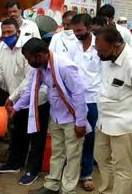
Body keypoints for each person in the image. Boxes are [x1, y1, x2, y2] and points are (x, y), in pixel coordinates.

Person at [0, 19, 49, 186]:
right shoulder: (2, 48)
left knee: (36, 136)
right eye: (4, 33)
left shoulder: (27, 49)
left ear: (18, 32)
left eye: (10, 32)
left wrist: (12, 97)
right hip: (16, 100)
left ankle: (33, 170)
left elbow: (29, 80)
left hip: (36, 100)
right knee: (18, 133)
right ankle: (14, 164)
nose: (7, 36)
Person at [11, 38, 91, 194]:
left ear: (40, 55)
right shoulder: (40, 68)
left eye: (29, 58)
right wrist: (16, 107)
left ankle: (68, 190)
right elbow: (30, 90)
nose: (28, 62)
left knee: (73, 156)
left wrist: (80, 123)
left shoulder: (64, 66)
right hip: (55, 116)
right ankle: (52, 185)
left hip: (72, 118)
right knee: (57, 153)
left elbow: (79, 94)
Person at [94, 27, 132, 194]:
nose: (98, 54)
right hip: (103, 122)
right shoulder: (108, 58)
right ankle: (107, 190)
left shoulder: (130, 62)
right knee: (101, 158)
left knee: (122, 168)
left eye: (101, 50)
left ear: (116, 46)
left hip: (123, 126)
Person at [67, 14, 101, 192]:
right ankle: (70, 173)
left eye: (79, 30)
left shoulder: (100, 46)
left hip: (93, 100)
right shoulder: (72, 46)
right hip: (74, 100)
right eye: (74, 31)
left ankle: (86, 174)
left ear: (89, 28)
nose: (77, 34)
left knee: (90, 138)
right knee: (72, 137)